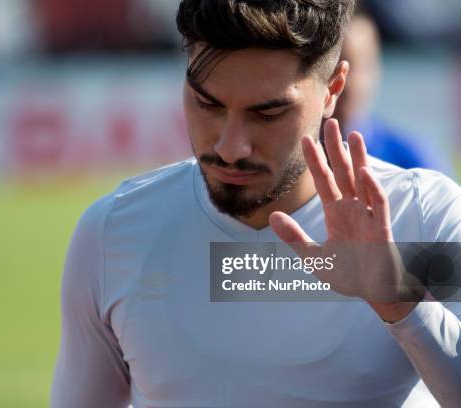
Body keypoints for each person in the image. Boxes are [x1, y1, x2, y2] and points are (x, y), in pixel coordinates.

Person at [51, 0, 461, 406]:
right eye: (207, 104)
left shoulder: (423, 215)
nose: (231, 147)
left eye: (267, 113)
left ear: (333, 89)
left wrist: (400, 303)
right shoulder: (113, 233)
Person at [336, 10, 454, 174]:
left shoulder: (412, 161)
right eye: (337, 67)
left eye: (361, 65)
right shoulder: (295, 156)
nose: (349, 82)